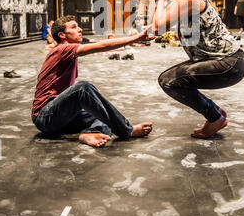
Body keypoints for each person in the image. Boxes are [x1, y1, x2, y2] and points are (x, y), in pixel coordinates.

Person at [152, 0, 244, 139]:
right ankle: (216, 114)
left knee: (169, 81)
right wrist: (160, 2)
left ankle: (215, 118)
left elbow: (158, 27)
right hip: (223, 61)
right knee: (168, 79)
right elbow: (156, 28)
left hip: (229, 62)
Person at [32, 15, 153, 148]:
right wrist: (138, 37)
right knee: (83, 88)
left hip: (61, 118)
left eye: (78, 26)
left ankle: (89, 133)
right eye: (73, 27)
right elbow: (101, 45)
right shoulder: (61, 49)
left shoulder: (69, 53)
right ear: (62, 35)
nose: (79, 29)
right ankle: (127, 130)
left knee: (101, 114)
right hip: (45, 117)